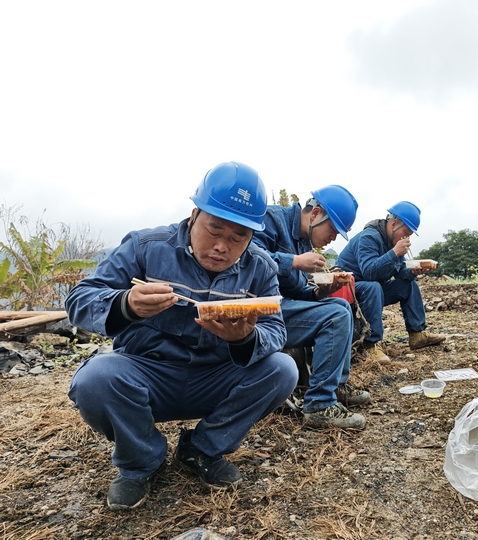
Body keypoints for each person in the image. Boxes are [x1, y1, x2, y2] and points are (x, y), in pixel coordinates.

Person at [65, 162, 298, 511]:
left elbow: (276, 329)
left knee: (283, 369)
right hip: (148, 375)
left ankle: (203, 449)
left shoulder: (260, 266)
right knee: (96, 378)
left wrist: (244, 338)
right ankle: (143, 461)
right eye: (214, 229)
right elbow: (79, 298)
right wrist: (126, 304)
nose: (222, 246)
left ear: (252, 236)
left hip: (216, 376)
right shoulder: (146, 247)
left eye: (238, 237)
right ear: (193, 216)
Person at [252, 185, 369, 430]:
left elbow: (295, 292)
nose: (333, 238)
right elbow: (246, 259)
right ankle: (319, 405)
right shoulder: (271, 220)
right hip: (256, 310)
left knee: (339, 305)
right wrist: (293, 261)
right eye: (333, 230)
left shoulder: (304, 244)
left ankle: (336, 385)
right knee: (335, 315)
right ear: (315, 213)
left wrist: (320, 292)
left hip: (280, 306)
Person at [336, 201, 445, 361]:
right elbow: (369, 272)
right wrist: (394, 252)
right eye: (406, 232)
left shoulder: (393, 242)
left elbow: (401, 272)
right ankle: (370, 345)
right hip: (350, 291)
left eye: (410, 234)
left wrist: (413, 272)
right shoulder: (369, 237)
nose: (407, 237)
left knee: (408, 285)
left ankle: (417, 334)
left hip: (373, 293)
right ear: (394, 223)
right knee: (373, 286)